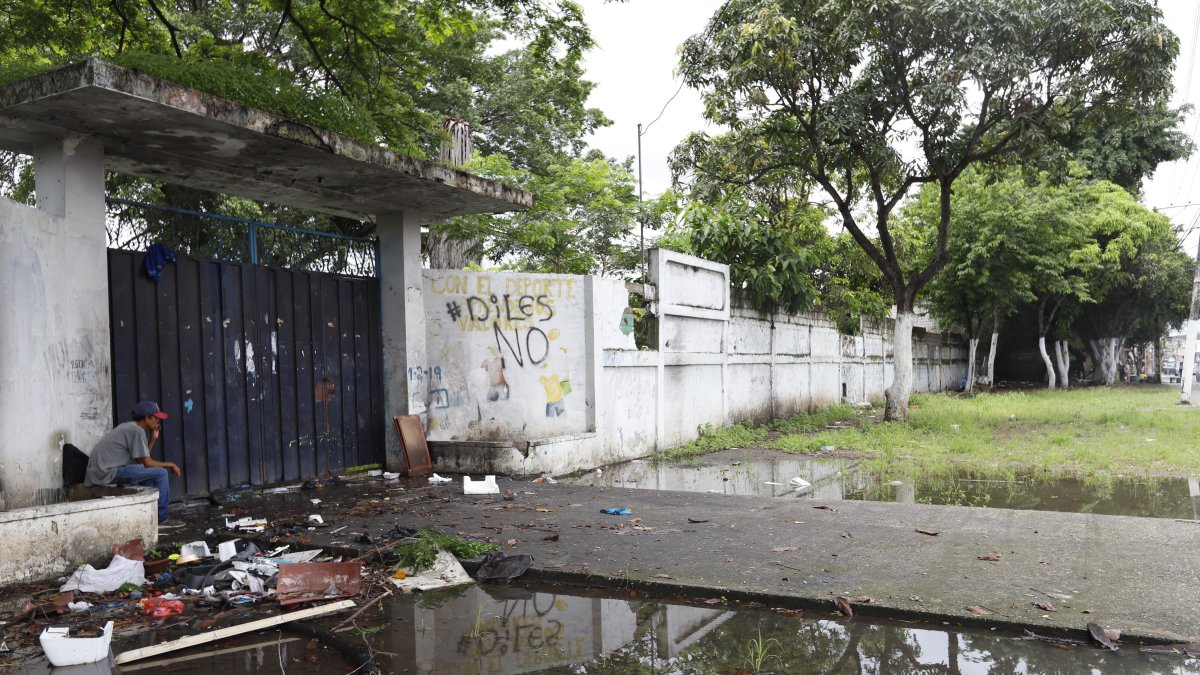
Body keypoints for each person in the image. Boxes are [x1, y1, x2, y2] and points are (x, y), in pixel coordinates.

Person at [85, 400, 181, 523]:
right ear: (147, 418)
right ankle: (161, 519)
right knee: (161, 473)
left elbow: (142, 461)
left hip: (102, 471)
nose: (158, 421)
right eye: (156, 418)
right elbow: (147, 463)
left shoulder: (131, 427)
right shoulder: (137, 431)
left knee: (153, 473)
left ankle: (150, 515)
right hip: (107, 473)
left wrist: (153, 438)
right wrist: (171, 464)